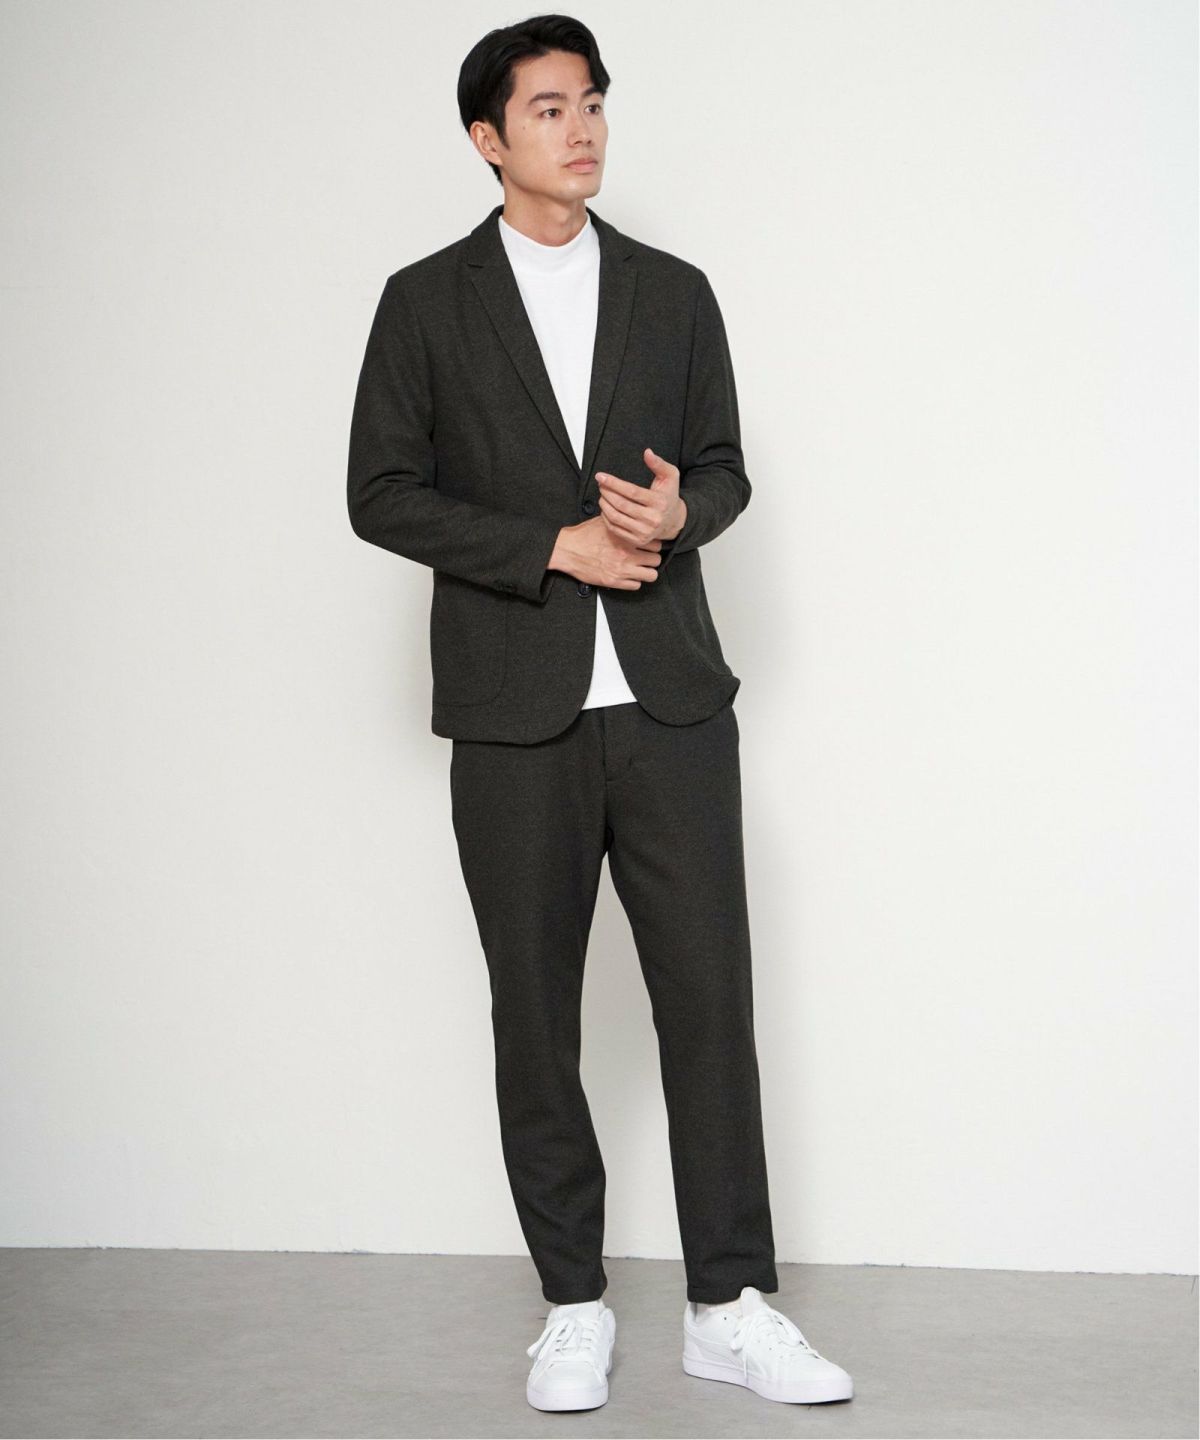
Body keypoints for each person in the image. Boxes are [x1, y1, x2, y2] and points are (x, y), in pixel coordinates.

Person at [347, 12, 854, 1414]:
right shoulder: (425, 302)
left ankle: (727, 1305)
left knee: (710, 1006)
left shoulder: (674, 292)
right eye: (549, 108)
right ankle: (572, 1303)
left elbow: (724, 467)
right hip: (517, 714)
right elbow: (378, 492)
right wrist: (549, 547)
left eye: (593, 104)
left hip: (672, 702)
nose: (581, 130)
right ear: (487, 138)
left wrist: (687, 513)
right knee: (536, 1016)